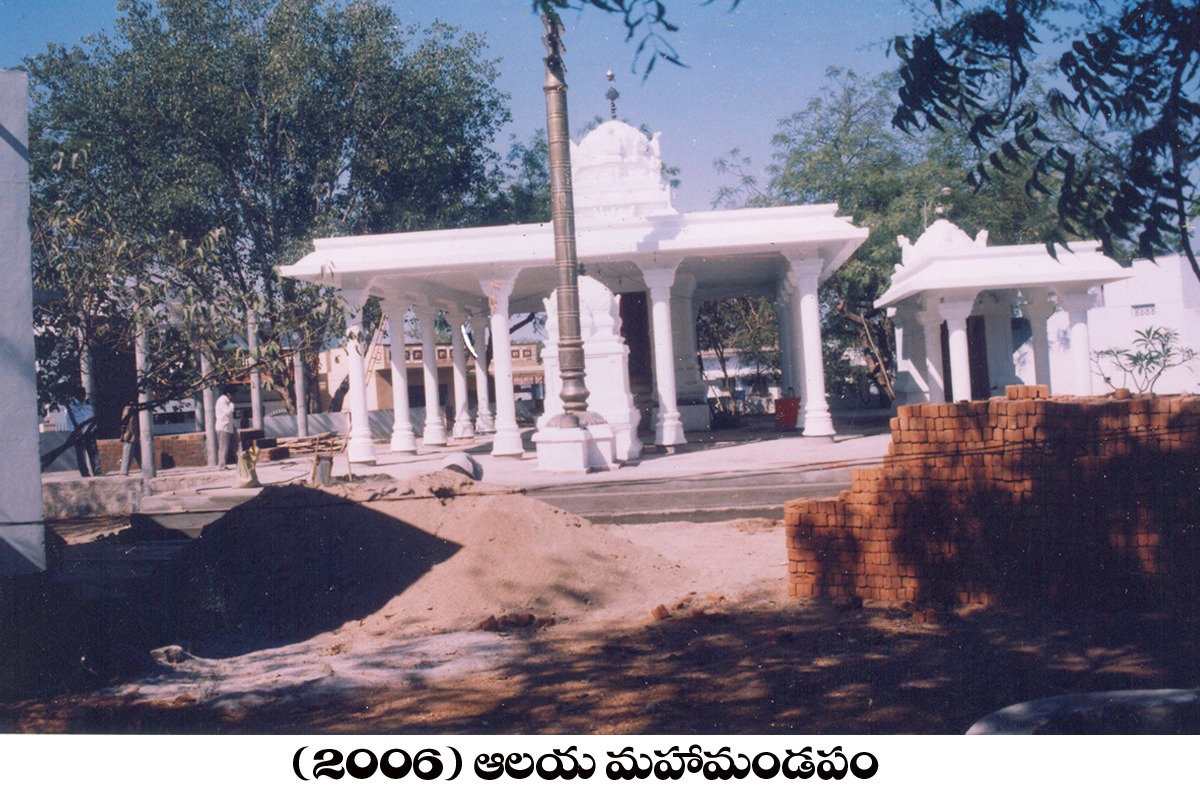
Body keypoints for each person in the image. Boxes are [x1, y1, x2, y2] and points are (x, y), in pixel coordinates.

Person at [67, 392, 101, 477]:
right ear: (76, 395)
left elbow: (90, 417)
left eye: (83, 395)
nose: (83, 396)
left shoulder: (87, 405)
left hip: (89, 432)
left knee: (93, 452)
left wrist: (94, 428)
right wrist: (75, 431)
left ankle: (97, 471)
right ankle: (84, 473)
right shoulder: (72, 406)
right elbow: (69, 421)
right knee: (80, 454)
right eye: (81, 395)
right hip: (78, 433)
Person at [215, 386, 238, 469]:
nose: (234, 396)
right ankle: (221, 465)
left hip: (230, 426)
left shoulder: (226, 401)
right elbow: (228, 413)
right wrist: (232, 404)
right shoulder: (222, 401)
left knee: (237, 445)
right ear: (228, 394)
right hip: (223, 427)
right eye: (233, 394)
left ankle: (240, 463)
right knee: (224, 447)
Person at [118, 404, 140, 475]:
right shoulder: (128, 409)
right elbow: (125, 421)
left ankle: (144, 467)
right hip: (130, 434)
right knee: (128, 452)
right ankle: (124, 471)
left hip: (133, 434)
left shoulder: (133, 408)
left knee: (138, 453)